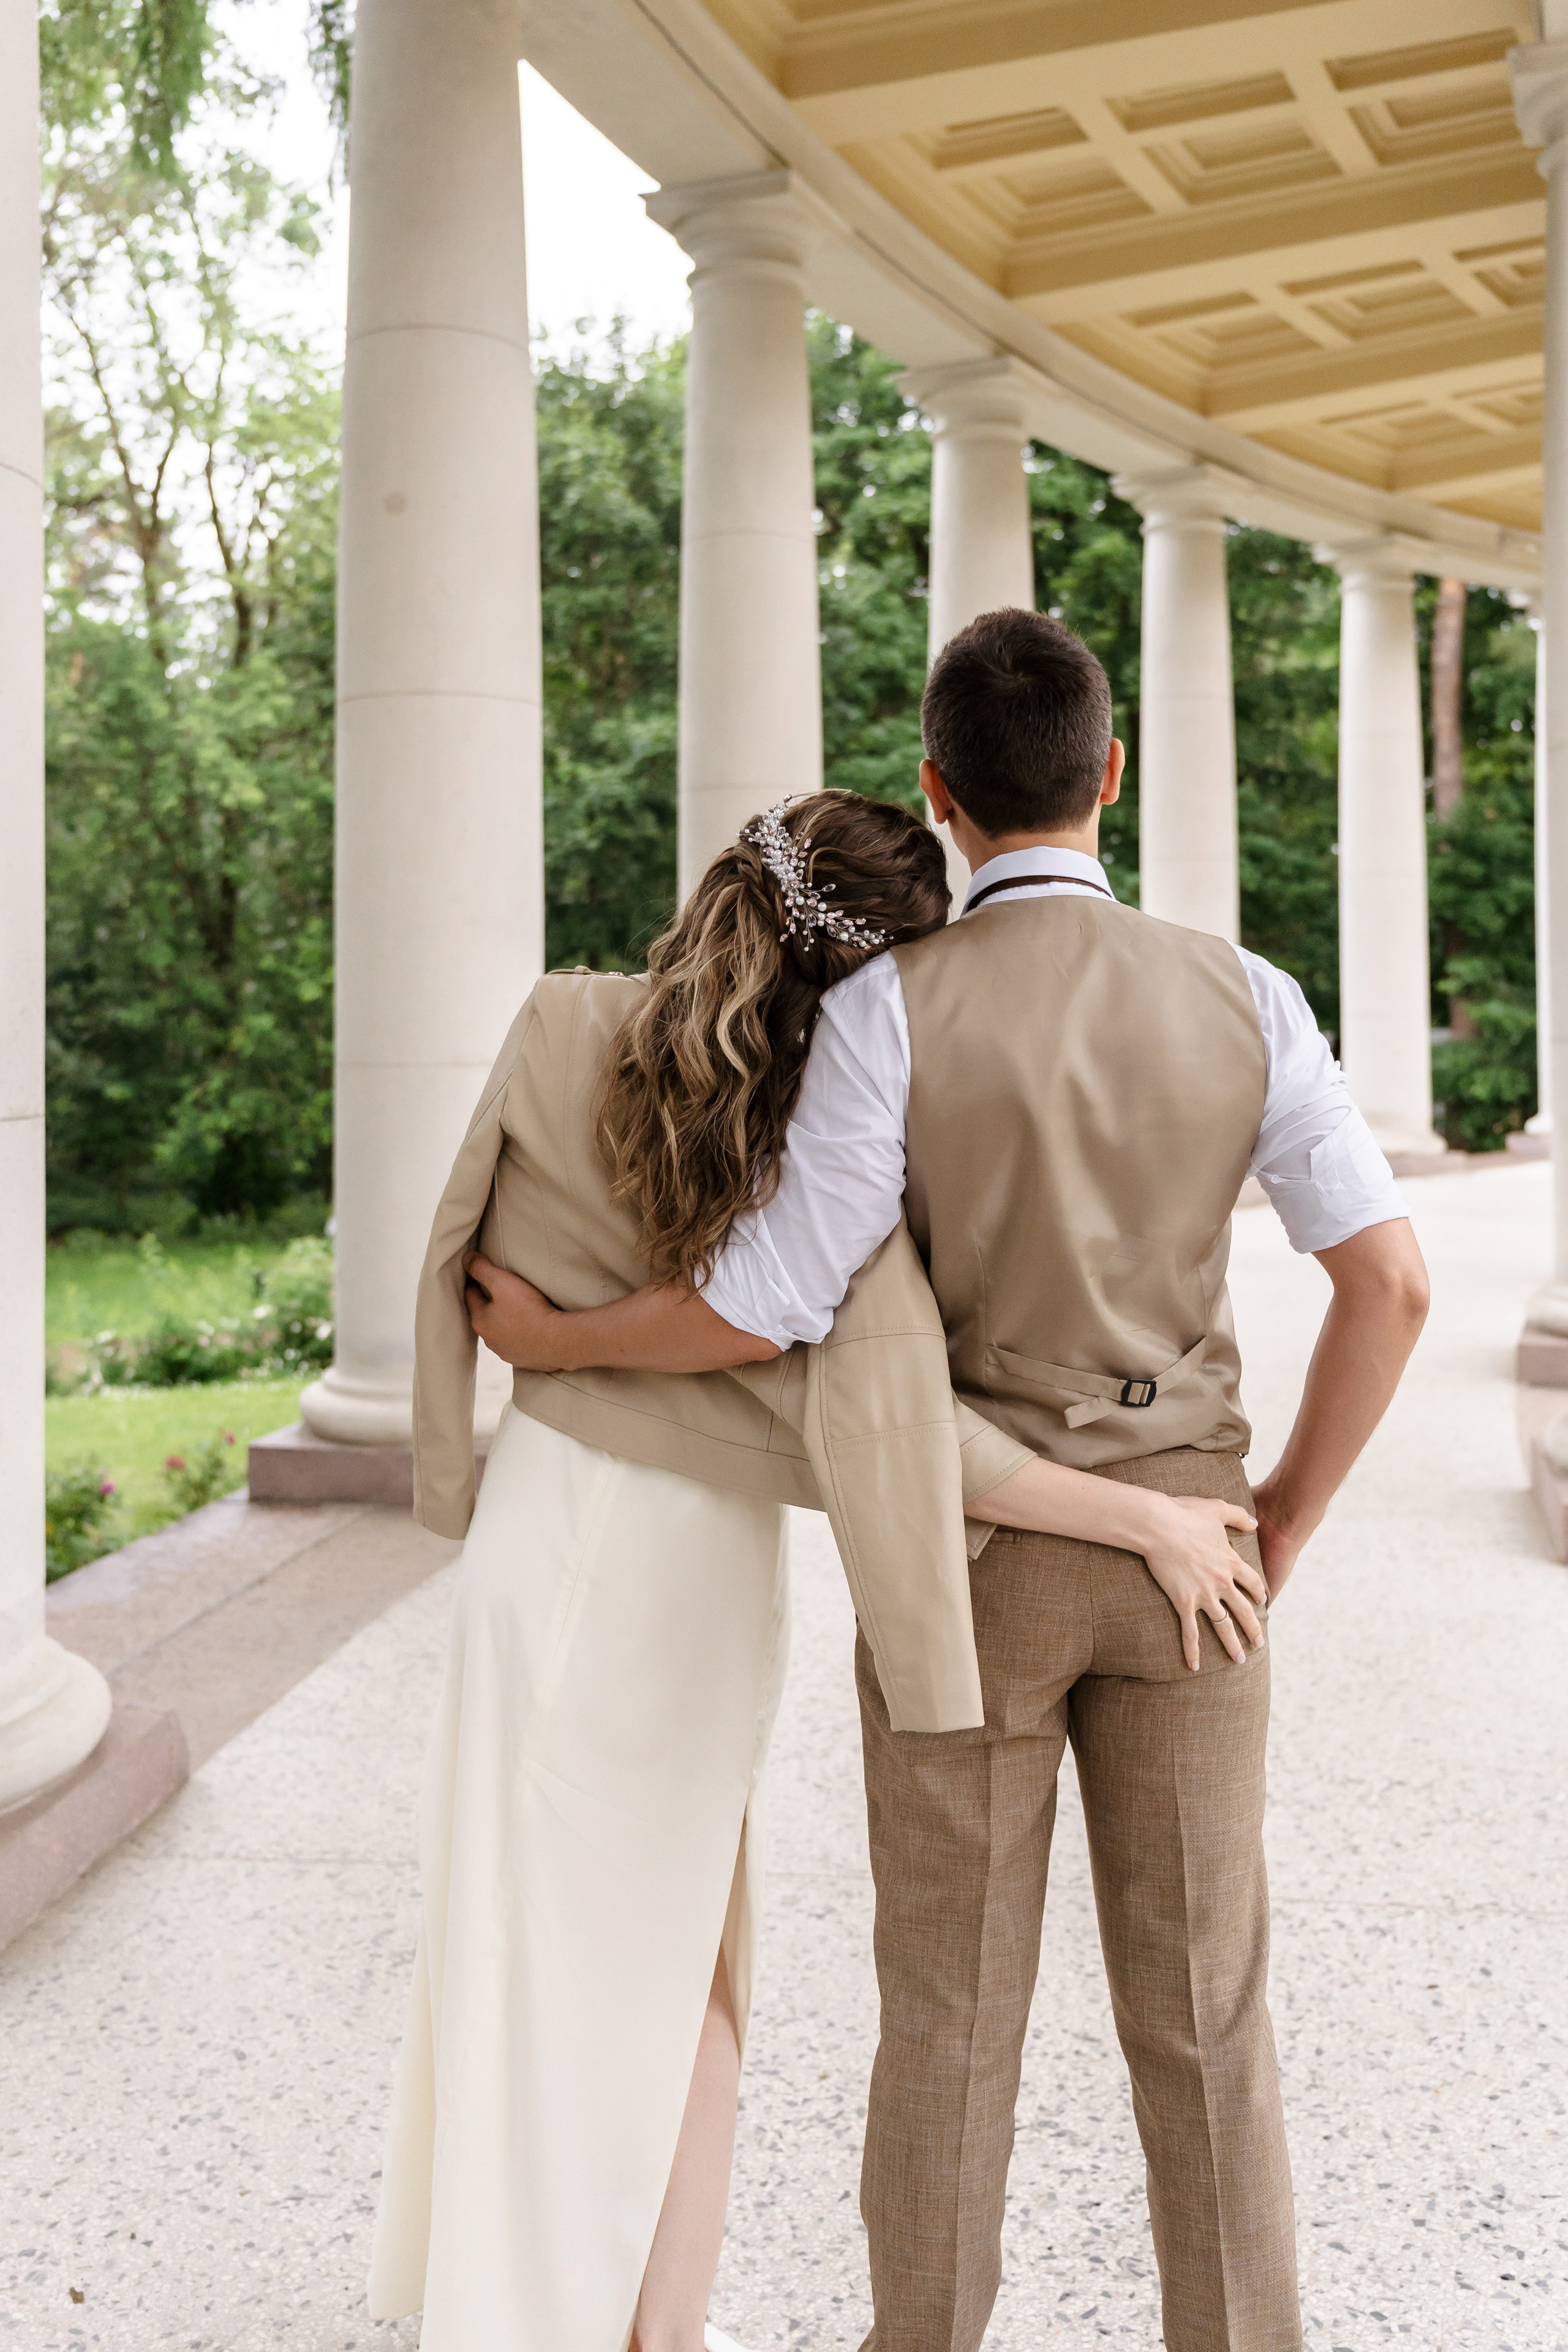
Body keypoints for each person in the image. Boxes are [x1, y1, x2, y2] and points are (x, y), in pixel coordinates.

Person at [464, 611, 1431, 2352]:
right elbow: (1394, 1283)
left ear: (940, 794)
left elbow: (764, 1305)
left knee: (952, 2023)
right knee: (1208, 2024)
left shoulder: (891, 1012)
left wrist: (562, 1338)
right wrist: (1279, 1516)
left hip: (966, 1561)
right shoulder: (1250, 993)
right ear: (1108, 774)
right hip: (1193, 1550)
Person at [366, 788, 1268, 2352]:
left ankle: (526, 2302)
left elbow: (449, 1264)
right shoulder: (823, 1144)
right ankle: (649, 2320)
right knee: (681, 1951)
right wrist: (1145, 1517)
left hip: (549, 1534)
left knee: (521, 1927)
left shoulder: (557, 1021)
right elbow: (893, 1420)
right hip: (697, 1581)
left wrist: (469, 1449)